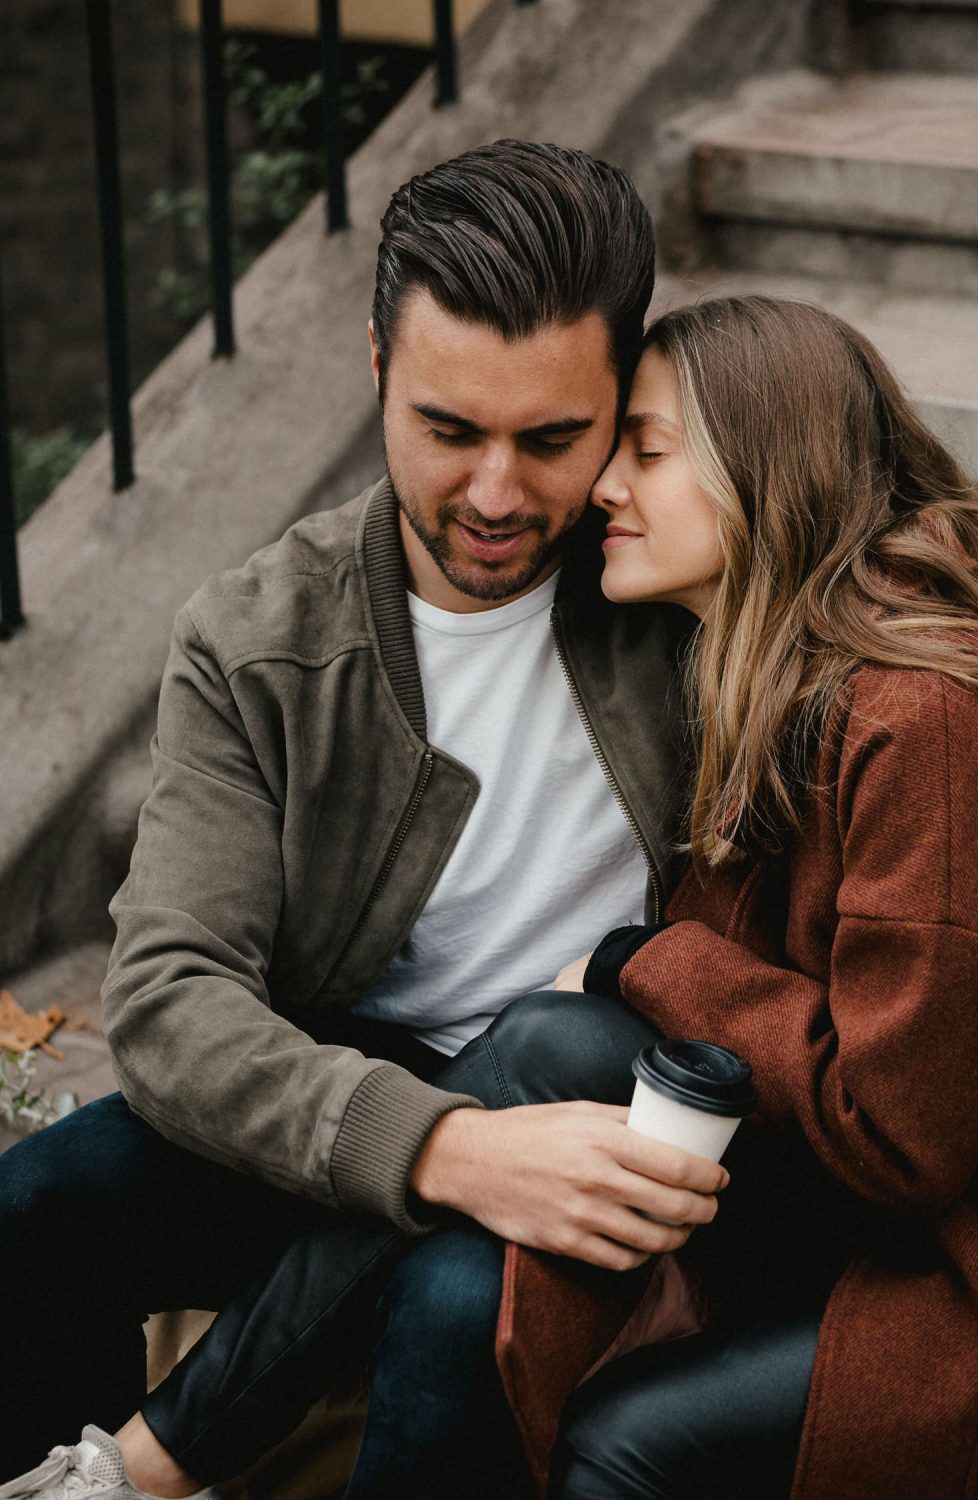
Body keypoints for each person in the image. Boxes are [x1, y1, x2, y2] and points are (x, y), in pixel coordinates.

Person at [0, 141, 728, 1500]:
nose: (500, 494)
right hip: (351, 1090)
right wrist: (444, 1143)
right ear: (378, 367)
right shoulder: (262, 634)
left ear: (624, 400)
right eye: (449, 429)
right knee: (34, 1209)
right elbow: (165, 999)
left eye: (553, 437)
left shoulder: (682, 591)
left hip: (606, 1109)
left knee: (460, 1307)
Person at [496, 294, 978, 1499]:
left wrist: (643, 959)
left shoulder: (919, 717)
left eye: (648, 451)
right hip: (810, 1207)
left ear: (766, 465)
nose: (604, 488)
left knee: (619, 1438)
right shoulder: (765, 673)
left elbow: (900, 1142)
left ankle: (176, 1441)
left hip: (941, 1265)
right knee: (547, 1046)